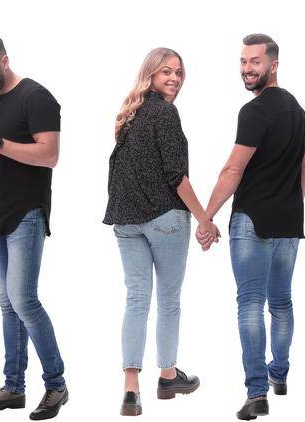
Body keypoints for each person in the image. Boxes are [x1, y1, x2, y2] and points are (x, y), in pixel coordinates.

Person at [0, 34, 69, 420]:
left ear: (4, 60)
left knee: (24, 300)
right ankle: (13, 387)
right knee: (7, 305)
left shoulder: (36, 96)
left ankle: (55, 384)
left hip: (26, 212)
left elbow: (50, 155)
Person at [198, 33, 305, 421]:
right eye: (243, 62)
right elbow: (304, 168)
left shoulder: (256, 111)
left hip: (253, 222)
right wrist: (291, 206)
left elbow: (232, 170)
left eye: (255, 62)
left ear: (273, 65)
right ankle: (280, 376)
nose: (247, 69)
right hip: (289, 223)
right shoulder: (297, 109)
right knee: (281, 302)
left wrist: (206, 216)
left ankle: (257, 391)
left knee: (250, 304)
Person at [103, 47, 209, 417]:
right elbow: (176, 176)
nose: (174, 78)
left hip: (126, 221)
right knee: (168, 300)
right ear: (150, 73)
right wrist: (205, 219)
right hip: (163, 219)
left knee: (136, 301)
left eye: (179, 72)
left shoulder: (129, 114)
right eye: (166, 72)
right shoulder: (165, 112)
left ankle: (131, 388)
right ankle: (166, 375)